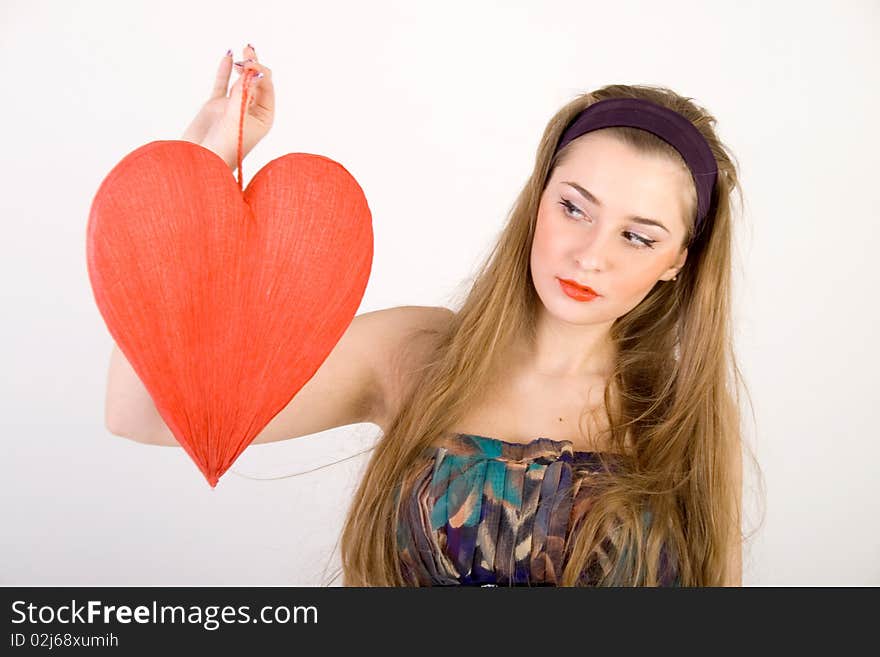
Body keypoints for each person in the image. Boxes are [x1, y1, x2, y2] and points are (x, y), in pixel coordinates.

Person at [105, 45, 752, 587]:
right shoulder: (418, 352)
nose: (590, 255)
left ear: (678, 261)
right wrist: (197, 167)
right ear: (538, 200)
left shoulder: (681, 415)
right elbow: (145, 411)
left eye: (637, 237)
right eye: (575, 208)